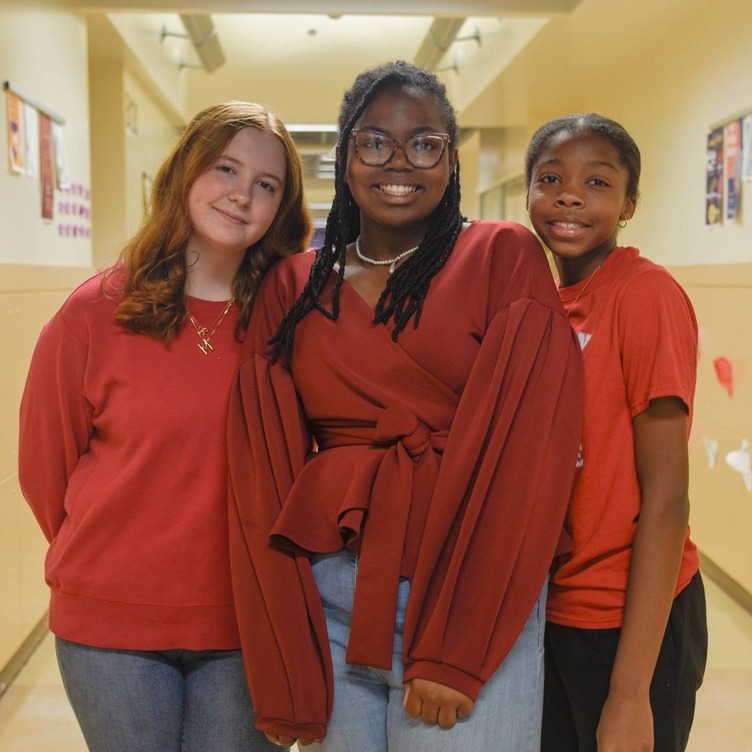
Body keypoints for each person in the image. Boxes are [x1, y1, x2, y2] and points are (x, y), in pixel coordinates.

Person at [227, 60, 584, 751]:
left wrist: (460, 646)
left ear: (451, 161)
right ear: (344, 155)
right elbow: (259, 475)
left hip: (470, 584)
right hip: (331, 592)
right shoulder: (292, 284)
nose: (401, 162)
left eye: (425, 143)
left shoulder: (501, 255)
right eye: (375, 142)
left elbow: (528, 455)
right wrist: (283, 652)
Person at [18, 101, 311, 752]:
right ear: (183, 174)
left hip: (248, 620)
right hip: (110, 626)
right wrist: (115, 562)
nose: (242, 194)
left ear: (281, 210)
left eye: (266, 185)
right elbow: (45, 471)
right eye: (225, 168)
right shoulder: (94, 313)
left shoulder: (292, 325)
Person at [525, 113, 708, 752]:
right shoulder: (542, 304)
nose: (571, 195)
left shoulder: (644, 294)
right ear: (529, 195)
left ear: (628, 204)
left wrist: (630, 693)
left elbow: (666, 501)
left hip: (632, 621)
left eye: (597, 182)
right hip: (556, 613)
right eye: (552, 178)